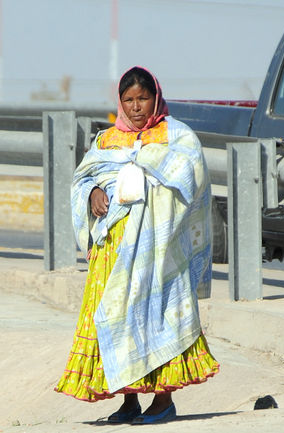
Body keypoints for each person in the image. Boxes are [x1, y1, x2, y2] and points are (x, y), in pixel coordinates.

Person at [54, 66, 219, 424]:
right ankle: (128, 400)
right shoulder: (107, 140)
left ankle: (163, 401)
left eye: (142, 98)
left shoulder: (177, 137)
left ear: (155, 97)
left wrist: (145, 174)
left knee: (156, 316)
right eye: (128, 100)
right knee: (115, 316)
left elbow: (191, 179)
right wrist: (94, 193)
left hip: (158, 250)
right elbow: (83, 179)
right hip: (112, 250)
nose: (135, 107)